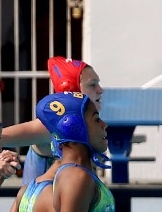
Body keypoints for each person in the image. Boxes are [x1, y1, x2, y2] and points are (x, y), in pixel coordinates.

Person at [20, 57, 104, 187]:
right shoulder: (53, 126)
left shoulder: (85, 125)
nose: (100, 90)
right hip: (40, 205)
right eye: (92, 84)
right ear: (72, 90)